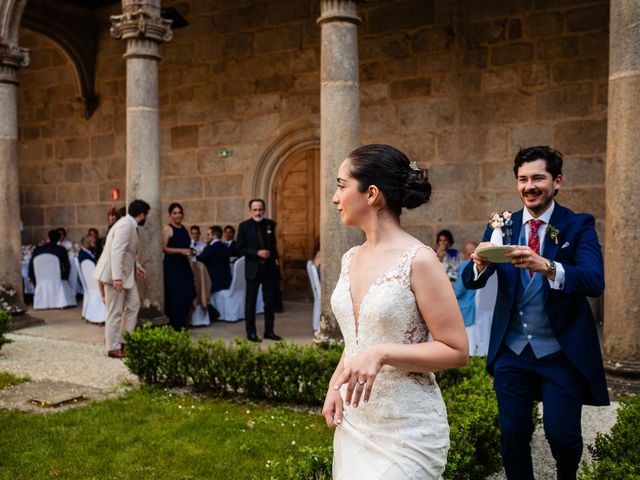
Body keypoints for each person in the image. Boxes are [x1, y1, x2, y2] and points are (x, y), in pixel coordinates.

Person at [462, 146, 609, 480]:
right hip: (512, 353)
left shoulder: (577, 226)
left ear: (556, 182)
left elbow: (594, 280)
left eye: (538, 178)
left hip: (560, 352)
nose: (529, 186)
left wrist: (547, 266)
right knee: (512, 432)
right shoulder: (503, 224)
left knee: (562, 436)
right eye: (522, 179)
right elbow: (471, 281)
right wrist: (480, 264)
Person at [322, 144, 468, 479]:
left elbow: (456, 350)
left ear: (371, 194)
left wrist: (383, 353)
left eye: (342, 185)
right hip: (355, 423)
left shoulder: (418, 259)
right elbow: (358, 340)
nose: (334, 197)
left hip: (407, 430)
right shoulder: (350, 258)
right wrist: (334, 386)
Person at [94, 199, 150, 359]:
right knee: (115, 311)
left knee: (134, 304)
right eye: (146, 214)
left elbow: (128, 252)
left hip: (126, 275)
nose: (146, 217)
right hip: (115, 276)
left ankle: (125, 341)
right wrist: (117, 277)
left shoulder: (129, 224)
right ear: (141, 215)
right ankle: (112, 348)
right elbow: (117, 251)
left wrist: (137, 265)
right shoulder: (126, 225)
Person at [236, 199, 282, 342]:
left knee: (269, 301)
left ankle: (269, 331)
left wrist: (275, 264)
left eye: (260, 209)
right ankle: (251, 333)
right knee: (251, 302)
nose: (258, 212)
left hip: (268, 269)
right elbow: (239, 248)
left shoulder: (270, 224)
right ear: (250, 211)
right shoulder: (243, 226)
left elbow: (273, 247)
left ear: (264, 210)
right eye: (255, 210)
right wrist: (256, 253)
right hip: (253, 269)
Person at [162, 202, 196, 331]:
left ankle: (183, 323)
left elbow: (186, 247)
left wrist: (190, 251)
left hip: (184, 265)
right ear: (170, 215)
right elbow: (163, 248)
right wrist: (180, 251)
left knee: (187, 293)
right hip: (172, 266)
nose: (178, 215)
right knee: (175, 295)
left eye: (180, 213)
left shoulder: (184, 229)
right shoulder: (167, 228)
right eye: (175, 213)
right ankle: (175, 325)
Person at [197, 226, 232, 295]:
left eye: (208, 235)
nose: (207, 237)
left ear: (214, 236)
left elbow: (199, 258)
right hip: (227, 282)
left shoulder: (211, 248)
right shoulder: (225, 247)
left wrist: (206, 245)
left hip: (214, 284)